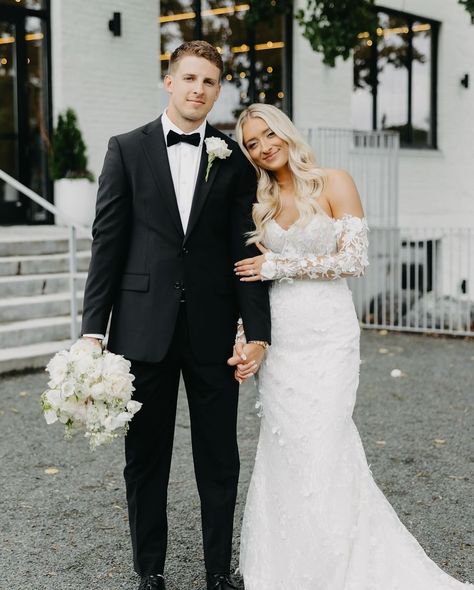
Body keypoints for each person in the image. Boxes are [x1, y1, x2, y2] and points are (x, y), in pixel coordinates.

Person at [232, 103, 473, 590]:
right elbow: (251, 281)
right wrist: (246, 340)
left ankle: (338, 563)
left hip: (328, 334)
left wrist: (282, 265)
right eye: (251, 144)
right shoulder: (258, 201)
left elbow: (355, 259)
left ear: (285, 132)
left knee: (325, 439)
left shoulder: (333, 182)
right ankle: (285, 566)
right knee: (285, 446)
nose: (263, 147)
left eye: (267, 135)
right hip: (282, 341)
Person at [80, 42, 271, 590]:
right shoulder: (126, 149)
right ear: (169, 80)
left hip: (213, 331)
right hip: (142, 330)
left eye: (209, 82)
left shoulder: (232, 159)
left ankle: (217, 572)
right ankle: (151, 572)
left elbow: (245, 249)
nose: (198, 90)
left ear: (217, 90)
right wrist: (95, 331)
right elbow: (107, 245)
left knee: (219, 458)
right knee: (145, 459)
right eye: (190, 78)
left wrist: (256, 333)